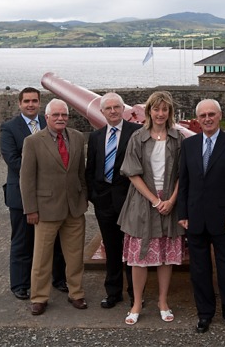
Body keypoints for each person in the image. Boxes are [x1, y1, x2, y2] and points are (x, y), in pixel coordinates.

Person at [178, 99, 225, 335]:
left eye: (211, 114)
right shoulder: (189, 145)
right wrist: (183, 214)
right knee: (199, 271)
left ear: (220, 116)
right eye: (203, 115)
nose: (207, 118)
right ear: (197, 119)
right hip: (196, 219)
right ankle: (204, 314)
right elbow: (184, 182)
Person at [117, 91, 185, 325]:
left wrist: (172, 200)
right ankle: (137, 302)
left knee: (166, 256)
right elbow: (132, 173)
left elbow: (182, 174)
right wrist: (155, 201)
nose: (160, 113)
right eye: (156, 109)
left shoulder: (178, 138)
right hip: (142, 203)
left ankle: (162, 301)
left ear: (169, 112)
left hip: (169, 202)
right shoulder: (137, 137)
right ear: (149, 111)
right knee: (139, 257)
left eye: (164, 109)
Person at [20, 98, 88, 316]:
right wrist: (31, 209)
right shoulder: (33, 141)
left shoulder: (77, 138)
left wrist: (83, 198)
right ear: (46, 117)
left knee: (75, 255)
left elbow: (80, 173)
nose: (61, 118)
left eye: (64, 115)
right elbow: (27, 179)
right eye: (56, 115)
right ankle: (39, 297)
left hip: (74, 208)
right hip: (46, 208)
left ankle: (76, 293)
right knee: (41, 257)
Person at [0, 87, 67, 301]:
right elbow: (13, 160)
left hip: (51, 195)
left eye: (34, 101)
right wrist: (46, 174)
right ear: (19, 104)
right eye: (26, 101)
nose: (31, 104)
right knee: (23, 241)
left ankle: (59, 279)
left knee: (55, 239)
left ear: (40, 103)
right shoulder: (10, 128)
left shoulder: (50, 122)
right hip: (21, 193)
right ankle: (20, 284)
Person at [85, 92, 142, 309]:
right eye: (108, 108)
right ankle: (113, 292)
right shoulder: (96, 137)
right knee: (112, 248)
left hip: (130, 200)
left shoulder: (136, 132)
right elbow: (90, 169)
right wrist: (94, 196)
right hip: (104, 202)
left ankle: (135, 293)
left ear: (123, 109)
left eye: (116, 107)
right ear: (102, 112)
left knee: (132, 250)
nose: (113, 111)